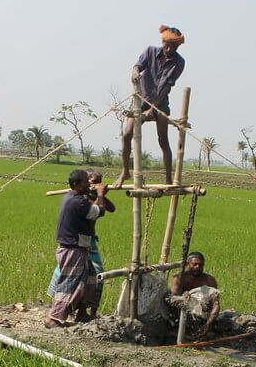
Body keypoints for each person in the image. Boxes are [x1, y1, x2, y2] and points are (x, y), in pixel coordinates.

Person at [113, 25, 186, 188]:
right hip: (141, 99)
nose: (169, 49)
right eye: (167, 45)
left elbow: (167, 87)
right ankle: (125, 172)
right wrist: (135, 72)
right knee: (127, 134)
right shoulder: (150, 51)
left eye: (173, 47)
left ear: (178, 46)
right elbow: (137, 66)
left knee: (163, 139)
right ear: (163, 42)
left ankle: (168, 179)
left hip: (161, 102)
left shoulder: (179, 62)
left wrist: (152, 110)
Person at [46, 169, 113, 328]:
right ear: (77, 185)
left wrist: (98, 195)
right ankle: (53, 318)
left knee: (90, 278)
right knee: (69, 283)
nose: (88, 184)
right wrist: (101, 195)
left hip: (79, 247)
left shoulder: (74, 197)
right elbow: (100, 211)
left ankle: (82, 313)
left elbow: (108, 208)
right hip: (72, 249)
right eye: (85, 181)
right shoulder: (78, 202)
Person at [169, 251, 220, 339]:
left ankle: (202, 328)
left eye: (200, 265)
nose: (198, 267)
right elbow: (173, 298)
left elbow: (216, 304)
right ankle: (177, 328)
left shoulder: (209, 280)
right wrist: (184, 297)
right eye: (195, 264)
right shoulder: (179, 278)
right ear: (188, 264)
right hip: (181, 311)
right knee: (169, 298)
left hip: (202, 313)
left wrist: (208, 324)